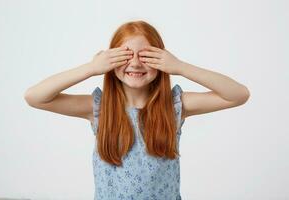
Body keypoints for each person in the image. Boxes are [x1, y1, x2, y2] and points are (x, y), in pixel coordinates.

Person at [24, 20, 250, 200]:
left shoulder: (174, 106)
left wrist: (180, 67)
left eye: (145, 56)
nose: (135, 64)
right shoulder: (98, 108)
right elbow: (35, 97)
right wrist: (90, 68)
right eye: (125, 55)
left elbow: (238, 94)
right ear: (111, 62)